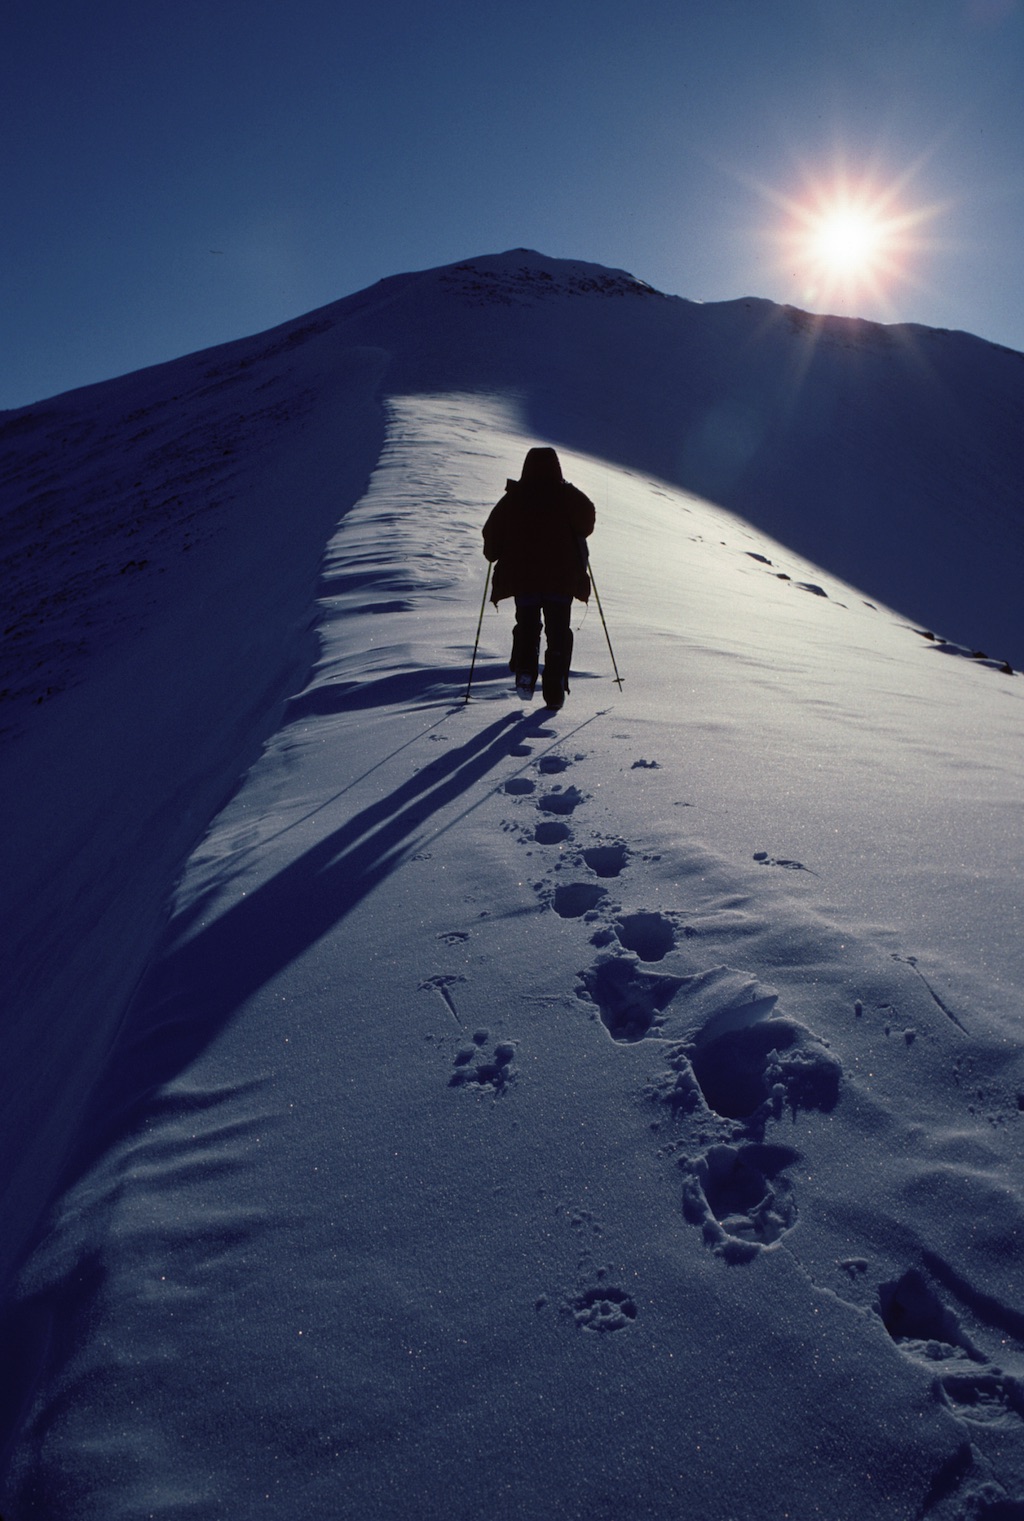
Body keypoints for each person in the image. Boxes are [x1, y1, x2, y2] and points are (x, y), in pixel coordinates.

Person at [482, 446, 595, 710]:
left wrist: (494, 554)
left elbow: (491, 539)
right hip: (561, 579)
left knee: (527, 626)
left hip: (525, 579)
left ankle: (525, 669)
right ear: (556, 467)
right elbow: (587, 521)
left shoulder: (514, 498)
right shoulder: (566, 495)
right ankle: (554, 681)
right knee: (558, 631)